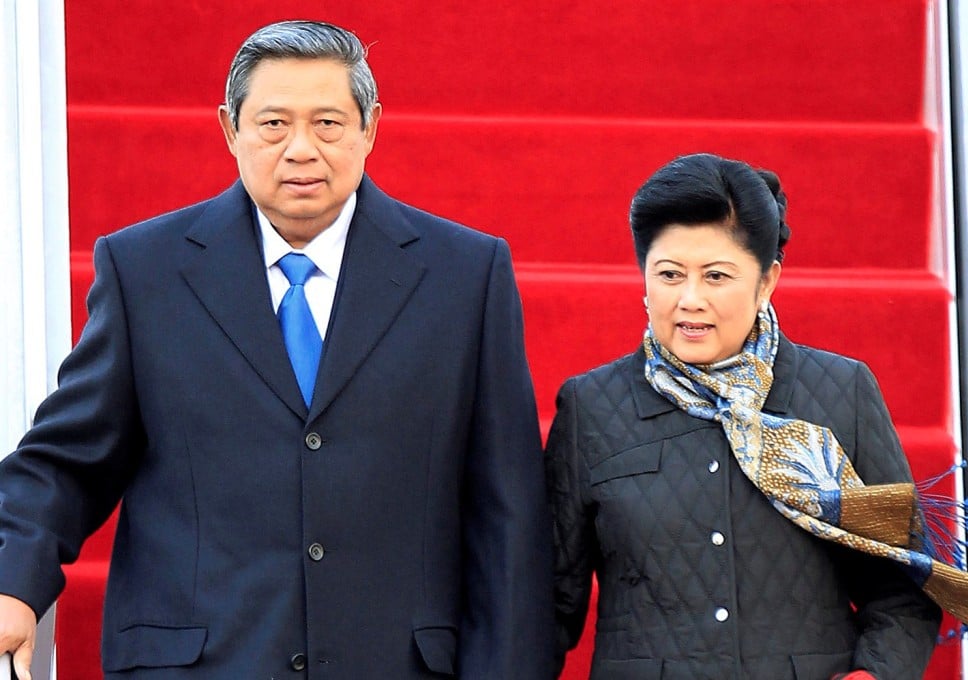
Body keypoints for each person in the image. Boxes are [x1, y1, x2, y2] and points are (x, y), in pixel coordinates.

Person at [0, 19, 554, 679]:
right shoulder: (146, 271)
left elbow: (508, 509)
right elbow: (67, 460)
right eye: (273, 124)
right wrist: (12, 582)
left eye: (327, 123)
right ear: (229, 129)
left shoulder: (464, 275)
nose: (301, 150)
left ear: (370, 127)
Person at [545, 152, 968, 679]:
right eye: (670, 274)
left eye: (716, 276)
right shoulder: (591, 407)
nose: (690, 299)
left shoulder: (841, 393)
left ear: (766, 281)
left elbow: (900, 590)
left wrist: (873, 675)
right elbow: (546, 607)